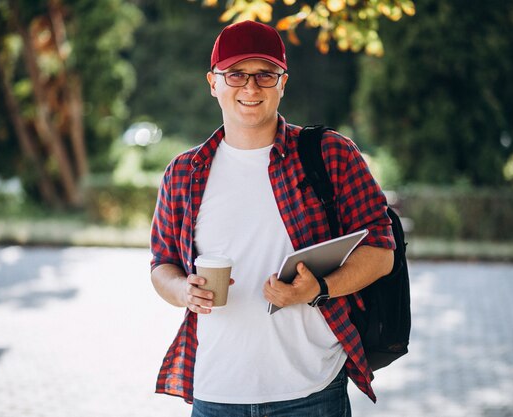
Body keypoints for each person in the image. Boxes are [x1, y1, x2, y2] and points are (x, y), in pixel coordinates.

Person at [150, 20, 395, 417]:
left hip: (313, 391)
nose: (251, 88)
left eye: (265, 75)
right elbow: (162, 264)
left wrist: (318, 289)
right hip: (218, 393)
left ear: (283, 82)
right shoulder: (184, 172)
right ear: (213, 83)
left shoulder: (330, 155)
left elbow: (381, 253)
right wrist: (183, 291)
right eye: (236, 75)